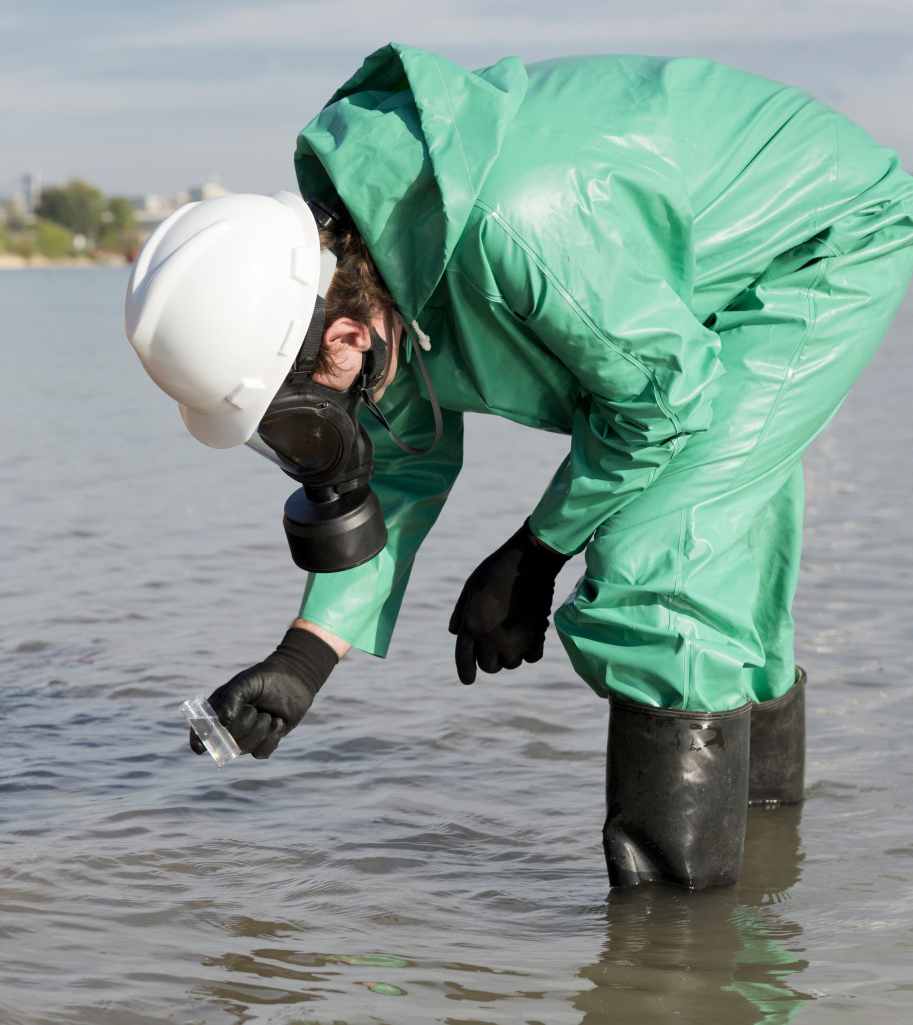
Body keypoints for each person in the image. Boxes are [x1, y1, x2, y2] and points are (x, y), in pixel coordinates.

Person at [124, 45, 913, 889]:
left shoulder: (518, 229)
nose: (308, 442)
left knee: (659, 560)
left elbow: (660, 402)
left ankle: (674, 949)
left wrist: (536, 551)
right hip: (684, 275)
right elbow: (401, 463)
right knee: (721, 553)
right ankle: (756, 894)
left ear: (344, 338)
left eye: (295, 419)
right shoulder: (372, 271)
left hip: (821, 237)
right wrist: (303, 658)